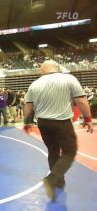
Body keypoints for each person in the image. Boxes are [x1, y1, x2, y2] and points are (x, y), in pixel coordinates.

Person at [23, 60, 93, 201]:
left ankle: (59, 182)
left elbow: (28, 106)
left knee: (53, 150)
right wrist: (88, 119)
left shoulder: (35, 84)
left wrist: (27, 123)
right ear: (57, 67)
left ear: (43, 70)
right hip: (62, 122)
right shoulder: (68, 79)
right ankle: (52, 179)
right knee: (69, 152)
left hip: (43, 123)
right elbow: (81, 101)